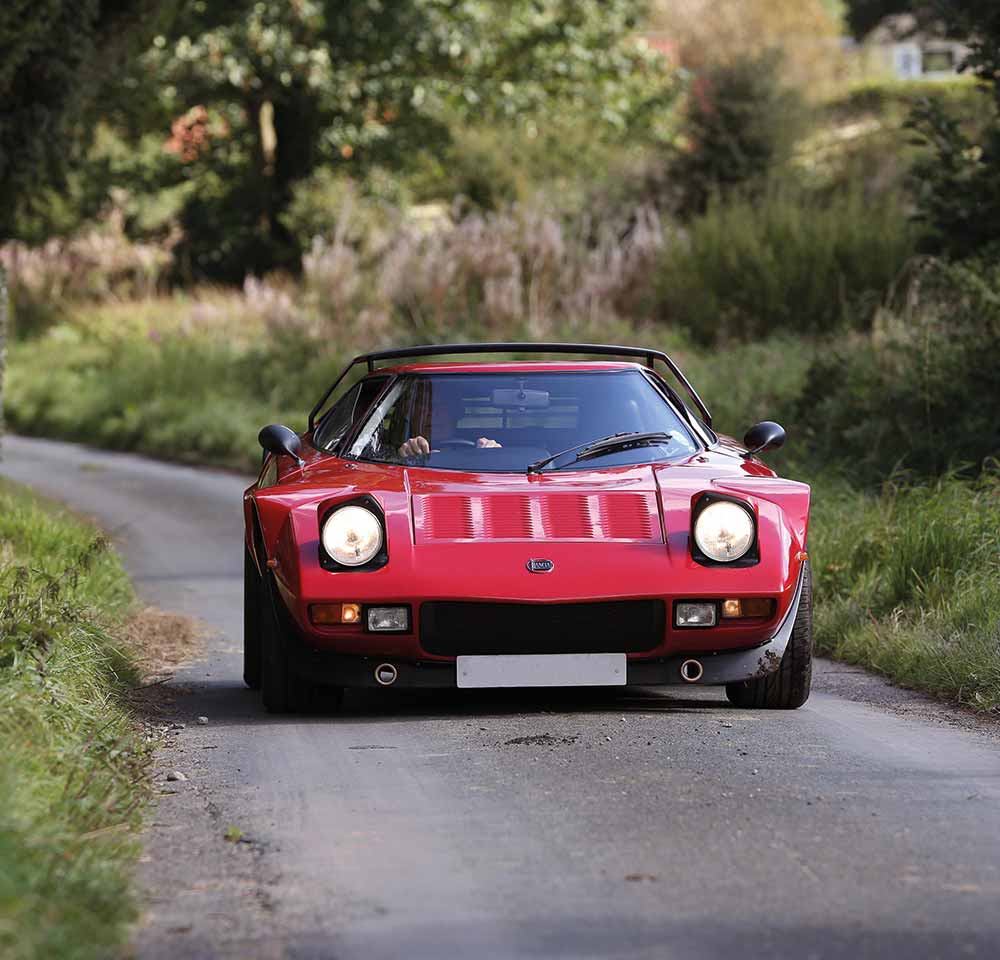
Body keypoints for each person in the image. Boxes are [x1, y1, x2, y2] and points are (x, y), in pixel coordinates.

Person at [397, 393, 501, 459]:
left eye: (441, 405)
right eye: (425, 405)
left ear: (457, 413)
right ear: (409, 413)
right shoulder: (388, 449)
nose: (433, 413)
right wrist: (401, 456)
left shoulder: (482, 450)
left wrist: (496, 456)